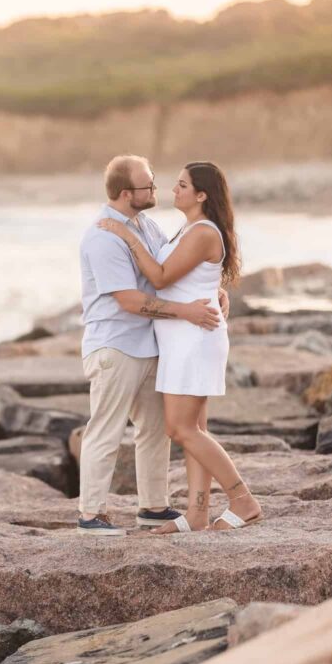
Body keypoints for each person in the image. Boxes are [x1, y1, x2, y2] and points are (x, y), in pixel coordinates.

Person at [99, 161, 262, 533]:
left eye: (182, 184)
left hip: (193, 339)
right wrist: (217, 292)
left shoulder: (203, 231)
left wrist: (126, 236)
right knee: (196, 428)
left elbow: (159, 276)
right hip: (182, 338)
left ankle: (243, 500)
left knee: (179, 428)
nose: (174, 189)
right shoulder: (189, 229)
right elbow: (188, 280)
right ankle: (197, 513)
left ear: (201, 195)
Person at [77, 154, 226, 537]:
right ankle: (91, 514)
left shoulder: (145, 225)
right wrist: (185, 312)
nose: (156, 190)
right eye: (149, 185)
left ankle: (153, 507)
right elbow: (128, 300)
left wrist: (216, 290)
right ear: (127, 193)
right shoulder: (104, 236)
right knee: (106, 431)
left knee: (156, 429)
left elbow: (174, 267)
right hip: (116, 345)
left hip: (150, 344)